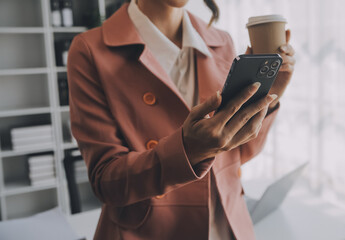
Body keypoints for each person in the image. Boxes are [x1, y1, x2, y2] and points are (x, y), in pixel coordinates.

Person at [67, 0, 295, 239]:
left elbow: (238, 154)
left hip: (228, 225)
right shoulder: (90, 50)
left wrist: (269, 98)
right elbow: (107, 182)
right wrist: (187, 151)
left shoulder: (221, 42)